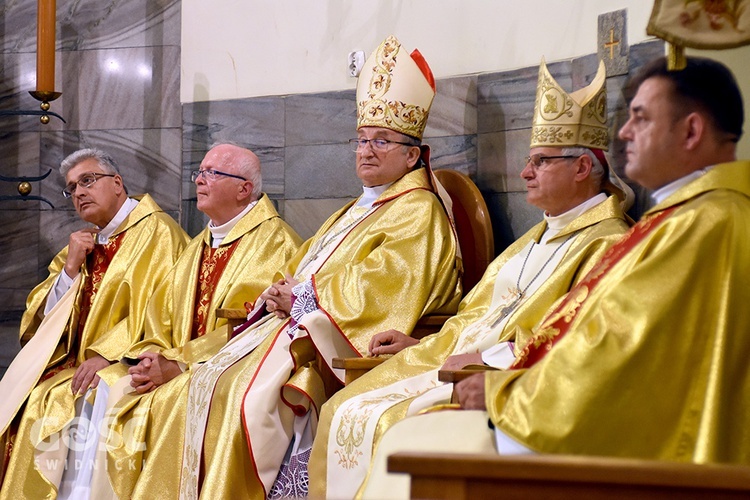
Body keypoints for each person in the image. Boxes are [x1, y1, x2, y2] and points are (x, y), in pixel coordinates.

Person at [361, 55, 750, 499]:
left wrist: (505, 394)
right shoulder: (690, 217)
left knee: (410, 443)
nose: (623, 134)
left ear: (691, 131)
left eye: (640, 118)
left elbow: (611, 350)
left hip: (645, 455)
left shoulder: (699, 225)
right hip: (535, 393)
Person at [104, 35, 463, 499]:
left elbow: (388, 285)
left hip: (323, 342)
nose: (366, 150)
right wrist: (282, 292)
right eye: (361, 140)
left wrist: (305, 298)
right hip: (288, 328)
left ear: (412, 154)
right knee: (196, 383)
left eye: (382, 141)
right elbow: (299, 269)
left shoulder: (418, 209)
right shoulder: (357, 207)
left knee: (236, 395)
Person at [308, 58, 633, 499]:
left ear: (581, 168)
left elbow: (578, 341)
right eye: (528, 160)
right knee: (344, 408)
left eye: (541, 161)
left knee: (386, 425)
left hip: (494, 382)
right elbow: (474, 316)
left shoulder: (609, 245)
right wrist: (424, 345)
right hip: (447, 361)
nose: (525, 173)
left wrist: (493, 363)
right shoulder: (532, 240)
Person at [51, 143, 301, 499]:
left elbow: (254, 326)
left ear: (244, 189)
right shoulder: (200, 244)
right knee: (111, 385)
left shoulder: (275, 243)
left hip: (228, 370)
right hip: (175, 362)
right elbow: (158, 314)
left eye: (212, 173)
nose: (199, 180)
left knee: (128, 391)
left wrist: (176, 363)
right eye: (199, 172)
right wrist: (151, 354)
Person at [0, 149, 189, 497]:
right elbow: (37, 319)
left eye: (87, 181)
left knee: (88, 392)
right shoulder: (84, 242)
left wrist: (109, 354)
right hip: (73, 362)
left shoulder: (158, 233)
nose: (79, 193)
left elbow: (165, 310)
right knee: (26, 395)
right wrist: (70, 270)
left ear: (117, 184)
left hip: (126, 360)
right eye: (71, 188)